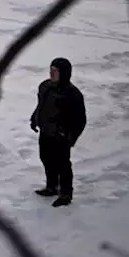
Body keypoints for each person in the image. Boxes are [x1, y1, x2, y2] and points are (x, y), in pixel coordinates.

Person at [30, 57, 87, 207]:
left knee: (63, 165)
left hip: (61, 137)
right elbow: (40, 105)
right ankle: (52, 187)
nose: (51, 74)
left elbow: (81, 120)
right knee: (46, 159)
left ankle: (66, 194)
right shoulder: (45, 87)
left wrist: (70, 137)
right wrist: (34, 119)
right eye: (51, 70)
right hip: (45, 132)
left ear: (65, 73)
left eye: (55, 71)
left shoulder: (73, 95)